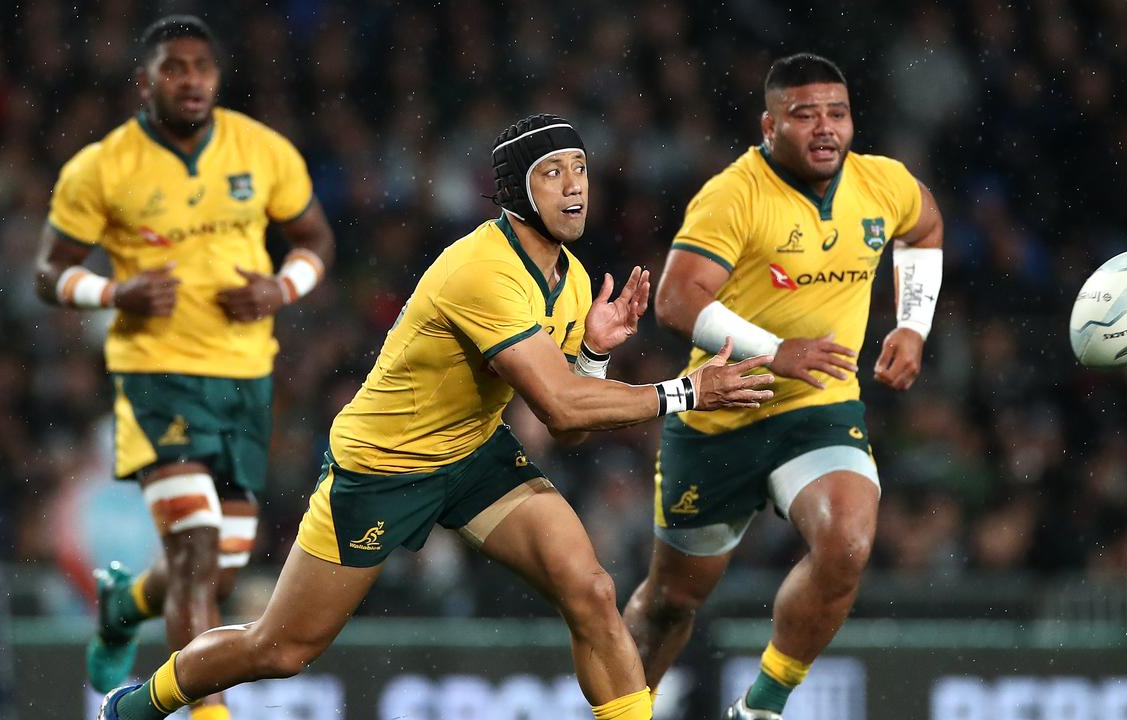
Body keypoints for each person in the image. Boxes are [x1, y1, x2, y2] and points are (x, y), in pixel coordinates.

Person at [97, 112, 774, 720]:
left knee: (591, 589)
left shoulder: (568, 278)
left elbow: (567, 421)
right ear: (515, 191)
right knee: (278, 649)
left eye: (582, 170)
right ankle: (133, 708)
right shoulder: (483, 270)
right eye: (554, 173)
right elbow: (561, 404)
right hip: (384, 468)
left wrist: (593, 352)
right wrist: (687, 391)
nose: (576, 186)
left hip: (473, 456)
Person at [621, 53, 945, 719]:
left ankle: (761, 706)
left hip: (818, 409)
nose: (825, 128)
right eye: (805, 116)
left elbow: (927, 227)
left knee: (848, 542)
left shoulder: (883, 185)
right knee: (670, 604)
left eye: (837, 113)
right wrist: (778, 350)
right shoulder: (733, 194)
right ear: (770, 126)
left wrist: (912, 325)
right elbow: (677, 300)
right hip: (720, 413)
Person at [34, 16, 335, 720]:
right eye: (175, 67)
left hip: (244, 379)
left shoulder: (263, 152)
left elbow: (315, 239)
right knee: (197, 548)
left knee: (219, 564)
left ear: (218, 78)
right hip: (156, 372)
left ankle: (124, 606)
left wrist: (278, 289)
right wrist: (115, 292)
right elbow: (50, 273)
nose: (191, 79)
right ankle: (205, 714)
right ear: (146, 80)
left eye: (202, 66)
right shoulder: (102, 167)